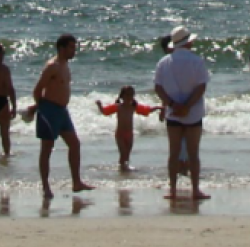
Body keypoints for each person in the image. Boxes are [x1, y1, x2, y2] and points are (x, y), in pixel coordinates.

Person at [154, 26, 212, 200]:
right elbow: (201, 86)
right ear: (188, 42)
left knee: (173, 153)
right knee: (193, 153)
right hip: (193, 112)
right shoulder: (197, 61)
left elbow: (158, 87)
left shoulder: (164, 62)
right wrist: (187, 105)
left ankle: (172, 190)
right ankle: (195, 189)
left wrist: (172, 104)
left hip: (173, 112)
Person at [33, 33, 93, 197]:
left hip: (62, 111)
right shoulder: (52, 66)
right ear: (62, 48)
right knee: (47, 149)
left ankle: (76, 182)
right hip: (49, 110)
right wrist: (40, 108)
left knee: (74, 144)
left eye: (75, 47)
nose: (74, 51)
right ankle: (45, 186)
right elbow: (38, 90)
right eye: (71, 47)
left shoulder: (65, 66)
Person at [97, 85, 160, 171]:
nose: (129, 97)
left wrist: (157, 107)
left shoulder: (134, 107)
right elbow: (105, 111)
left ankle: (124, 169)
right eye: (127, 95)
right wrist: (100, 105)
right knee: (123, 153)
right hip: (120, 134)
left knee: (127, 155)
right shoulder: (118, 106)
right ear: (122, 96)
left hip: (130, 134)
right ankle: (122, 168)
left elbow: (146, 110)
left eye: (131, 95)